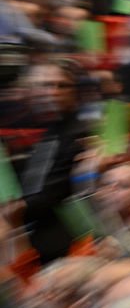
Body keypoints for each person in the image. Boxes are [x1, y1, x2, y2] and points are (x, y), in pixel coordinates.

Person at [4, 60, 90, 263]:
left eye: (62, 86)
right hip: (35, 224)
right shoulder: (52, 130)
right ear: (30, 91)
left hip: (63, 235)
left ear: (75, 93)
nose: (53, 92)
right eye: (44, 85)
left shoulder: (78, 134)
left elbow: (49, 197)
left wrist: (12, 211)